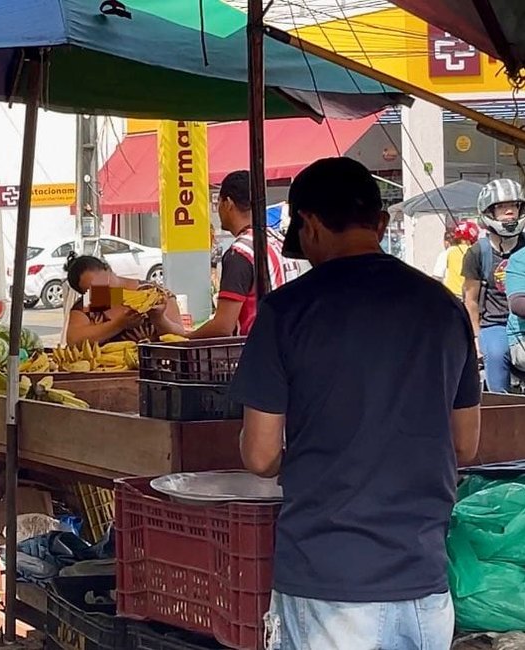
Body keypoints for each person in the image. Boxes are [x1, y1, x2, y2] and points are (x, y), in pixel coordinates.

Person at [230, 157, 480, 649]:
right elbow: (465, 445)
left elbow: (259, 456)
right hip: (423, 583)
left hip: (329, 581)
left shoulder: (286, 310)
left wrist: (298, 452)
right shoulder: (443, 308)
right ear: (381, 223)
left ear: (311, 224)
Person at [189, 171, 299, 338]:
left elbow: (223, 326)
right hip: (288, 343)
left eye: (218, 202)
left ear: (228, 203)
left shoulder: (240, 253)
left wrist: (183, 336)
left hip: (259, 351)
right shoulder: (277, 241)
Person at [463, 178, 525, 393]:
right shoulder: (477, 253)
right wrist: (476, 338)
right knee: (497, 355)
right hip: (494, 325)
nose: (509, 212)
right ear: (489, 212)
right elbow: (470, 300)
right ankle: (502, 410)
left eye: (514, 205)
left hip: (521, 322)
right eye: (501, 206)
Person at [63, 253, 183, 345]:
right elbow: (74, 340)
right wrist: (118, 325)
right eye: (93, 291)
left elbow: (181, 336)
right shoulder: (86, 306)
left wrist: (159, 318)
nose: (101, 291)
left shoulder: (153, 292)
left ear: (108, 269)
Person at [434, 221, 479, 298]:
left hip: (451, 296)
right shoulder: (476, 251)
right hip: (472, 296)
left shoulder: (447, 252)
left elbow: (437, 277)